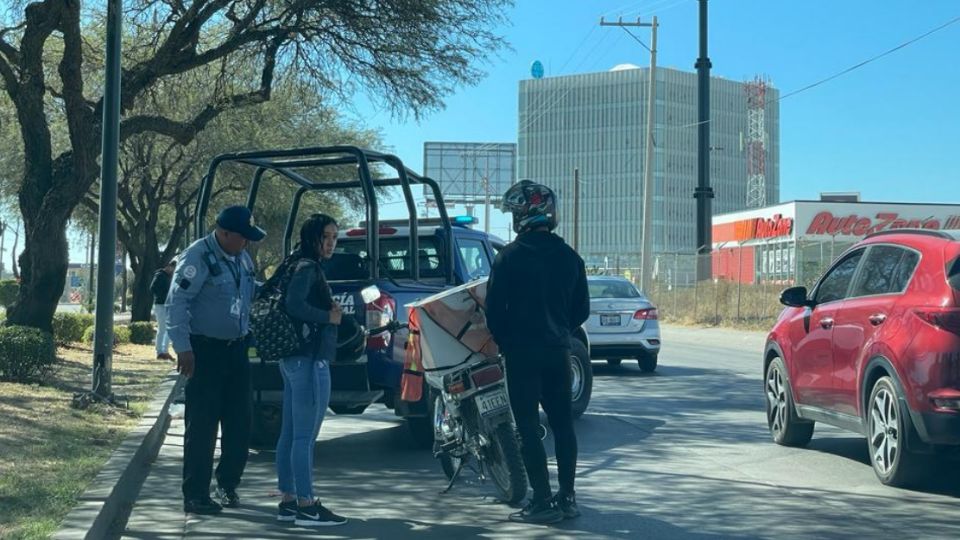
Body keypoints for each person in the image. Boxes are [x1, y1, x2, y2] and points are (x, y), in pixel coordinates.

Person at [485, 180, 590, 525]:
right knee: (563, 426)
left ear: (523, 215)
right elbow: (582, 311)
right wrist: (559, 330)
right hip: (558, 352)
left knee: (527, 428)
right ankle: (568, 498)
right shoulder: (570, 257)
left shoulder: (508, 257)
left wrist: (507, 341)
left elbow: (494, 312)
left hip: (521, 355)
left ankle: (542, 499)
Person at [167, 205, 264, 515]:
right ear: (224, 233)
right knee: (203, 425)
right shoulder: (197, 257)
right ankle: (195, 495)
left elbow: (247, 289)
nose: (246, 243)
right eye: (242, 237)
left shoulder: (240, 257)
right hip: (204, 351)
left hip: (237, 349)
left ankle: (228, 484)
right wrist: (183, 348)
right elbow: (177, 302)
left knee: (240, 422)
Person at [273, 213, 348, 527]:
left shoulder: (292, 263)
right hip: (308, 358)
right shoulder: (307, 268)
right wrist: (328, 317)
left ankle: (288, 499)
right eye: (326, 237)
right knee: (305, 436)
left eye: (334, 237)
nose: (331, 243)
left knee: (290, 434)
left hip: (291, 358)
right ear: (312, 237)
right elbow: (295, 305)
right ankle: (307, 505)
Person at [150, 259, 176, 361]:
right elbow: (153, 288)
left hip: (168, 304)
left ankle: (165, 351)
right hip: (161, 304)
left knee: (168, 328)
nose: (173, 271)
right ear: (169, 266)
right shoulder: (160, 275)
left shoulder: (168, 277)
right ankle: (160, 351)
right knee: (162, 328)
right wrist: (164, 295)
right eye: (173, 269)